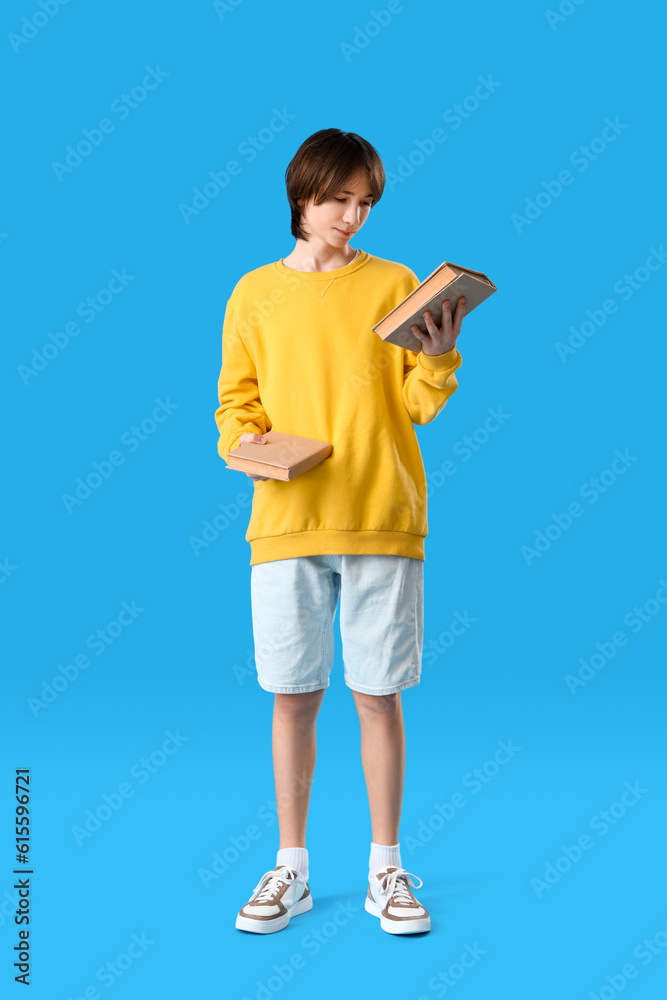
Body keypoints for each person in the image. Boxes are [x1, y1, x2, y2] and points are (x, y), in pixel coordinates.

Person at [214, 128, 466, 936]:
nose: (351, 217)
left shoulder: (394, 283)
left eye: (364, 203)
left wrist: (437, 357)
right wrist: (247, 446)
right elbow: (234, 404)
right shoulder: (253, 292)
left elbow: (419, 404)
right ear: (301, 194)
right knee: (291, 699)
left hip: (381, 517)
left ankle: (385, 869)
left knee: (376, 696)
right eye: (339, 199)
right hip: (286, 521)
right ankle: (289, 867)